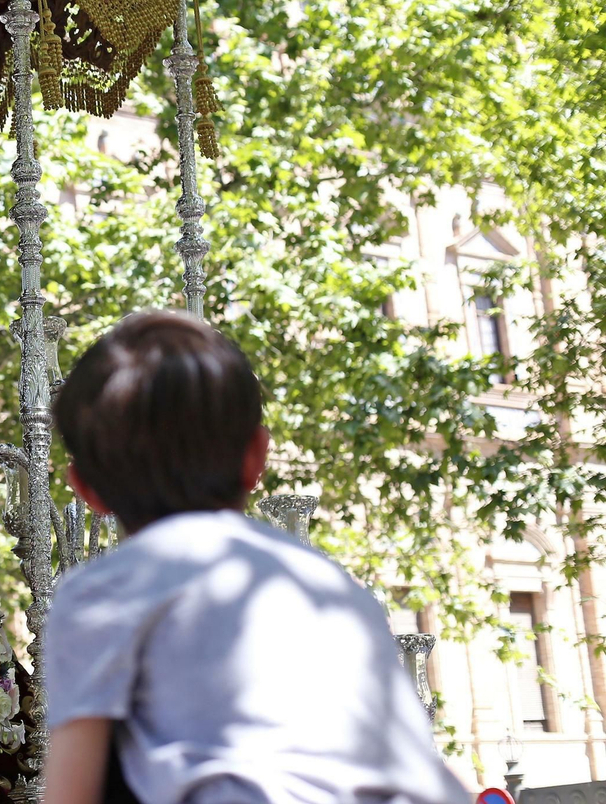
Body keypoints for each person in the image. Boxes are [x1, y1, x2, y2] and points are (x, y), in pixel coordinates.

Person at [43, 311, 467, 804]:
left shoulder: (102, 590)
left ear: (85, 490)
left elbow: (73, 793)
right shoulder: (332, 586)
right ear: (258, 458)